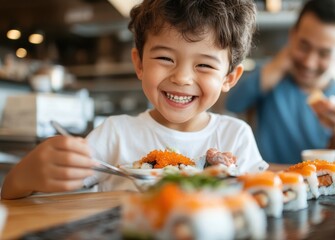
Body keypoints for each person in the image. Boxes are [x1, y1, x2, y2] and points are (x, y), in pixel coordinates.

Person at [1, 0, 268, 199]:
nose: (182, 78)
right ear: (139, 64)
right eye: (165, 58)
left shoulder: (235, 137)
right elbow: (12, 194)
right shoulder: (116, 134)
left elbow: (262, 197)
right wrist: (28, 173)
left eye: (205, 66)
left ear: (229, 78)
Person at [226, 0, 335, 164]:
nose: (309, 62)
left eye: (324, 53)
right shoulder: (270, 80)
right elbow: (231, 103)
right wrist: (278, 64)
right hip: (269, 184)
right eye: (303, 46)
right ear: (292, 36)